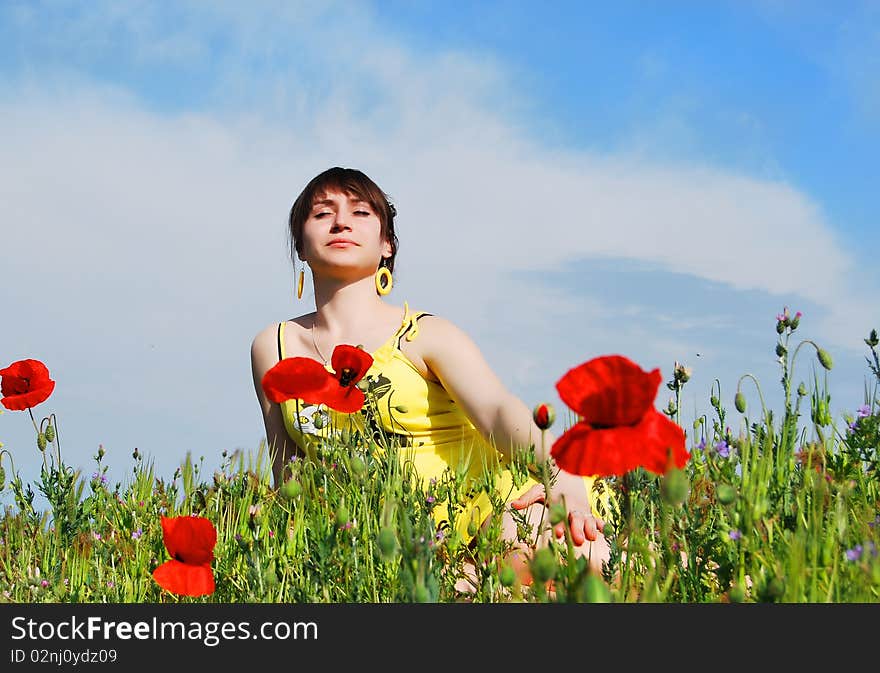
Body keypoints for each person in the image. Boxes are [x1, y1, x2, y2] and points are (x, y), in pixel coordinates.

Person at [250, 166, 610, 587]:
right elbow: (289, 469)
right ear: (301, 245)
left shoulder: (426, 334)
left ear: (387, 245)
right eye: (322, 213)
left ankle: (470, 578)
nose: (341, 222)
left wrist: (563, 482)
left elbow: (497, 412)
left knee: (574, 557)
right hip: (385, 543)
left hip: (496, 508)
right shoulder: (273, 346)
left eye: (361, 212)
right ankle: (461, 581)